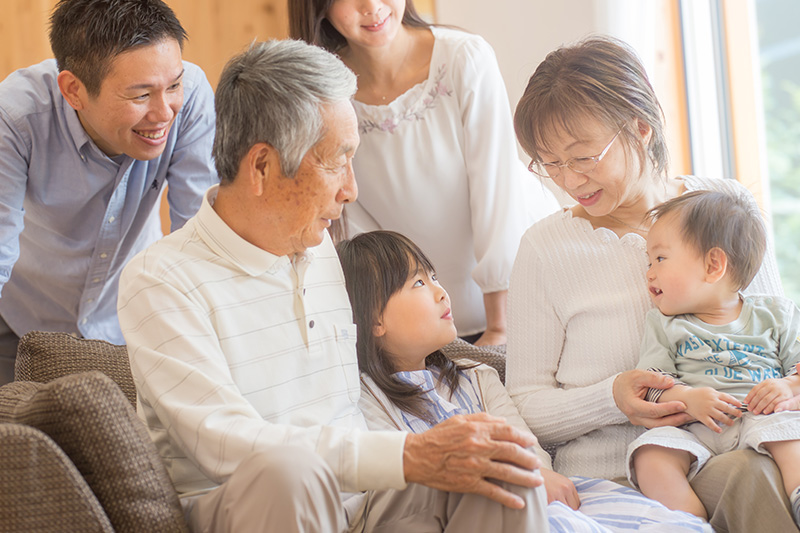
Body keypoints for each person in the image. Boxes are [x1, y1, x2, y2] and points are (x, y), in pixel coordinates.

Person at [117, 39, 549, 533]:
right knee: (291, 473)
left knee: (499, 468)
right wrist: (408, 454)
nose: (351, 188)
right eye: (335, 161)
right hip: (255, 507)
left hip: (362, 507)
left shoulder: (322, 250)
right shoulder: (160, 281)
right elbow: (226, 444)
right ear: (261, 167)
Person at [506, 34, 800, 532]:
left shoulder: (722, 204)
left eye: (582, 157)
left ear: (640, 128)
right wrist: (612, 397)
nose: (570, 181)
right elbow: (525, 404)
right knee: (748, 476)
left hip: (752, 434)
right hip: (626, 477)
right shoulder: (545, 249)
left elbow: (779, 332)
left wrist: (789, 389)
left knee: (759, 465)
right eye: (549, 163)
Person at [338, 229, 713, 532]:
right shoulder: (366, 398)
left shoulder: (477, 378)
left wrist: (541, 474)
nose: (441, 291)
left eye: (434, 276)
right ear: (374, 321)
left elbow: (524, 442)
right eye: (418, 283)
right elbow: (398, 487)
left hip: (535, 487)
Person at [289, 0, 559, 345]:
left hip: (522, 296)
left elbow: (496, 191)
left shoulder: (464, 58)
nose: (371, 6)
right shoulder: (325, 95)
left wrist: (500, 327)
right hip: (429, 320)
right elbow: (355, 224)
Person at [0, 0, 217, 384]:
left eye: (173, 85)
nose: (165, 111)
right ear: (73, 90)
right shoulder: (15, 117)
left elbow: (200, 240)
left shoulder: (193, 96)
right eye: (140, 96)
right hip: (23, 326)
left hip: (132, 327)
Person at [624, 190, 800, 526]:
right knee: (649, 455)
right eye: (649, 261)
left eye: (659, 259)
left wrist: (788, 386)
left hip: (763, 416)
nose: (648, 273)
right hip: (694, 429)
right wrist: (687, 398)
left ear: (713, 265)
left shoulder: (777, 314)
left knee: (792, 434)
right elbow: (650, 386)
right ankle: (688, 520)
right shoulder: (663, 324)